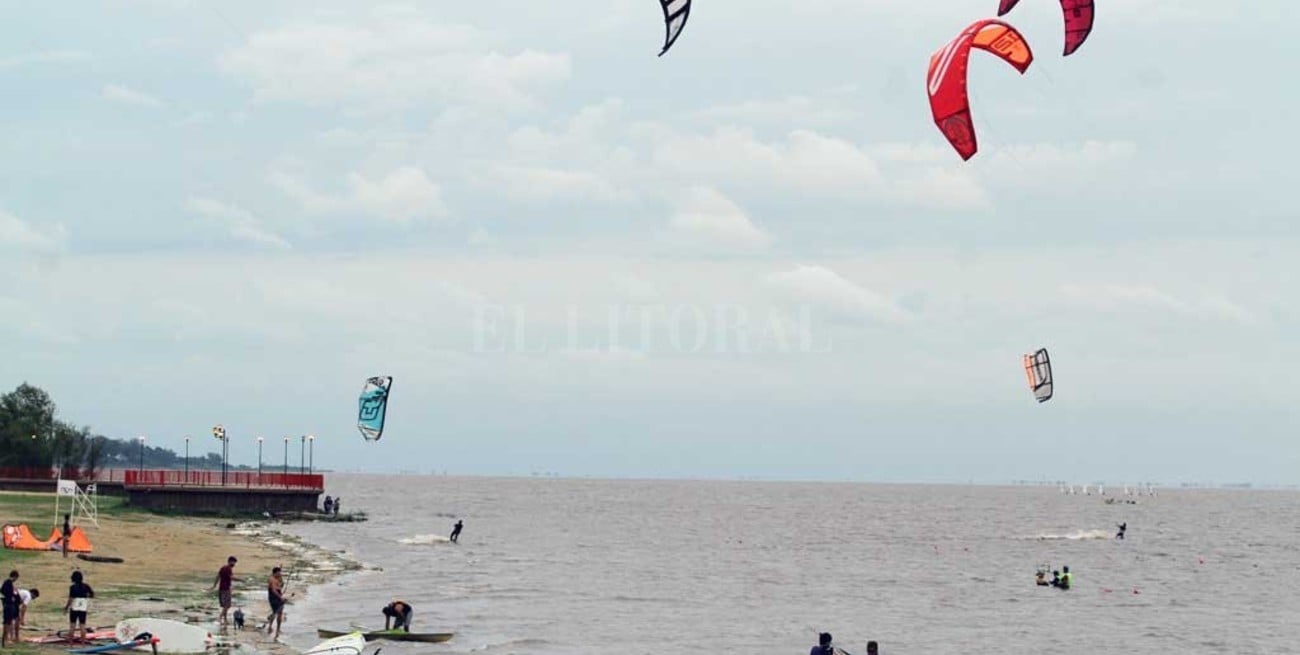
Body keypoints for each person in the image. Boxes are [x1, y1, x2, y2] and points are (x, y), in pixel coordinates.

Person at [64, 570, 94, 643]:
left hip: (74, 607)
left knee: (72, 625)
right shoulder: (86, 586)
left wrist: (66, 607)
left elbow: (70, 599)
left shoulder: (72, 587)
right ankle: (83, 642)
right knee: (82, 625)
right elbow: (92, 595)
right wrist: (86, 596)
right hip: (83, 607)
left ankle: (70, 641)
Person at [209, 556, 240, 627]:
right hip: (226, 589)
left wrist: (214, 585)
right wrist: (240, 579)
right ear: (229, 561)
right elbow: (231, 577)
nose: (234, 564)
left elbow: (218, 576)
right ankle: (220, 617)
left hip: (221, 588)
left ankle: (225, 619)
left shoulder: (223, 568)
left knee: (224, 605)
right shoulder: (228, 569)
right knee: (227, 605)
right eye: (233, 562)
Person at [265, 567, 285, 639]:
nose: (280, 574)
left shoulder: (277, 579)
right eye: (279, 573)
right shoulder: (272, 579)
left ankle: (276, 628)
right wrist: (280, 597)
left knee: (278, 612)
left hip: (278, 596)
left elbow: (280, 586)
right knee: (276, 612)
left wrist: (281, 579)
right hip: (274, 597)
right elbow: (273, 590)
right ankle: (273, 627)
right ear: (275, 573)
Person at [2, 570, 19, 648]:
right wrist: (11, 596)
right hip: (9, 605)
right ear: (14, 576)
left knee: (7, 622)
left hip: (7, 605)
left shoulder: (7, 583)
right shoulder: (8, 583)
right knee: (8, 623)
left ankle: (5, 640)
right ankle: (5, 639)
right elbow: (4, 591)